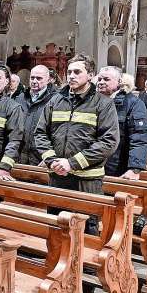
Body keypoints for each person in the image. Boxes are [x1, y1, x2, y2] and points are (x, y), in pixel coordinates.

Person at [34, 54, 120, 236]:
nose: (71, 76)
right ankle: (57, 261)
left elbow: (109, 141)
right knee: (57, 224)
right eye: (69, 72)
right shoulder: (56, 101)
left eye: (77, 72)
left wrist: (71, 163)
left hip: (87, 178)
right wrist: (51, 160)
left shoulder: (103, 104)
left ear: (90, 75)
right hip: (57, 176)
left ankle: (86, 265)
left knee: (87, 227)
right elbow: (41, 133)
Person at [96, 66, 147, 179]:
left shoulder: (133, 103)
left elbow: (140, 137)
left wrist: (135, 169)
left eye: (106, 79)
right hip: (90, 165)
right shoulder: (92, 101)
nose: (101, 82)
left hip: (115, 167)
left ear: (120, 82)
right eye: (99, 79)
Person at [15, 65, 57, 165]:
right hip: (19, 157)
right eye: (32, 78)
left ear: (48, 80)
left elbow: (58, 133)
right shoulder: (20, 98)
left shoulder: (55, 100)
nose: (34, 81)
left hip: (41, 157)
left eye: (39, 78)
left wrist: (50, 157)